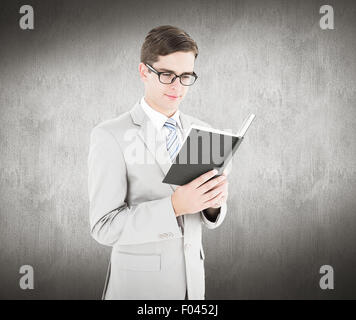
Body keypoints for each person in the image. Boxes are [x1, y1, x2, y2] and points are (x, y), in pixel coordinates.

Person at [87, 25, 229, 300]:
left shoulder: (203, 132)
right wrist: (174, 206)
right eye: (167, 75)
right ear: (144, 72)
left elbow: (205, 217)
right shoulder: (110, 135)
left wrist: (212, 203)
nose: (177, 86)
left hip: (194, 289)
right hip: (138, 290)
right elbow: (103, 227)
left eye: (186, 76)